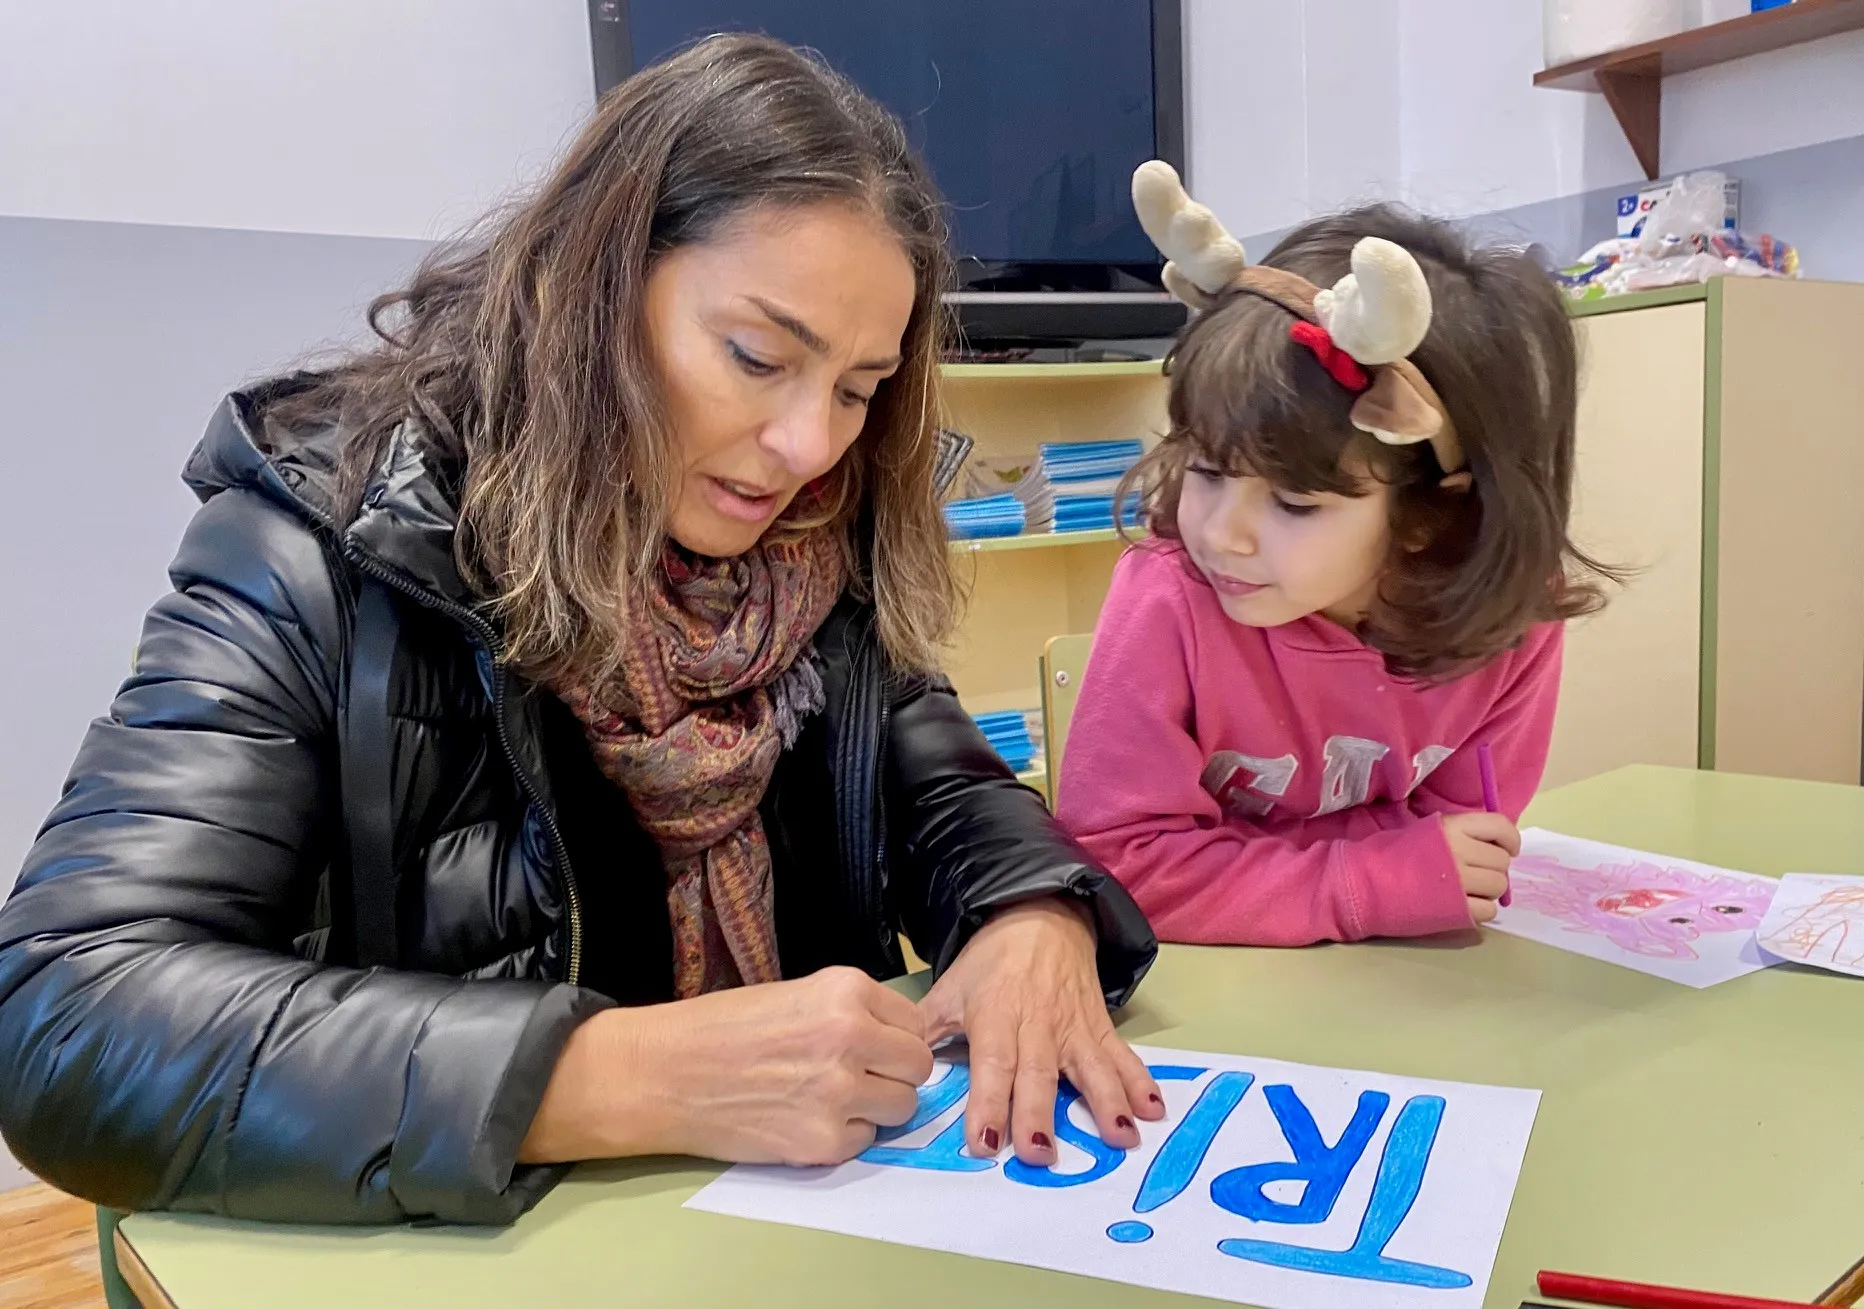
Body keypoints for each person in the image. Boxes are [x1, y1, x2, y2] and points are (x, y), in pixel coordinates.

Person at [0, 35, 1163, 1226]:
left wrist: (1033, 911)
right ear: (590, 286)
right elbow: (67, 1013)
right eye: (757, 357)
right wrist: (611, 1076)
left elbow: (949, 787)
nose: (812, 446)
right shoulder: (315, 544)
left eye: (859, 389)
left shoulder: (810, 545)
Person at [1057, 162, 1615, 948]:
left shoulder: (1509, 619)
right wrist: (1368, 879)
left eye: (1294, 502)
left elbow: (1464, 853)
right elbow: (1116, 864)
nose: (1221, 533)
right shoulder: (1170, 595)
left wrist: (1349, 873)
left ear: (1429, 513)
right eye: (1207, 471)